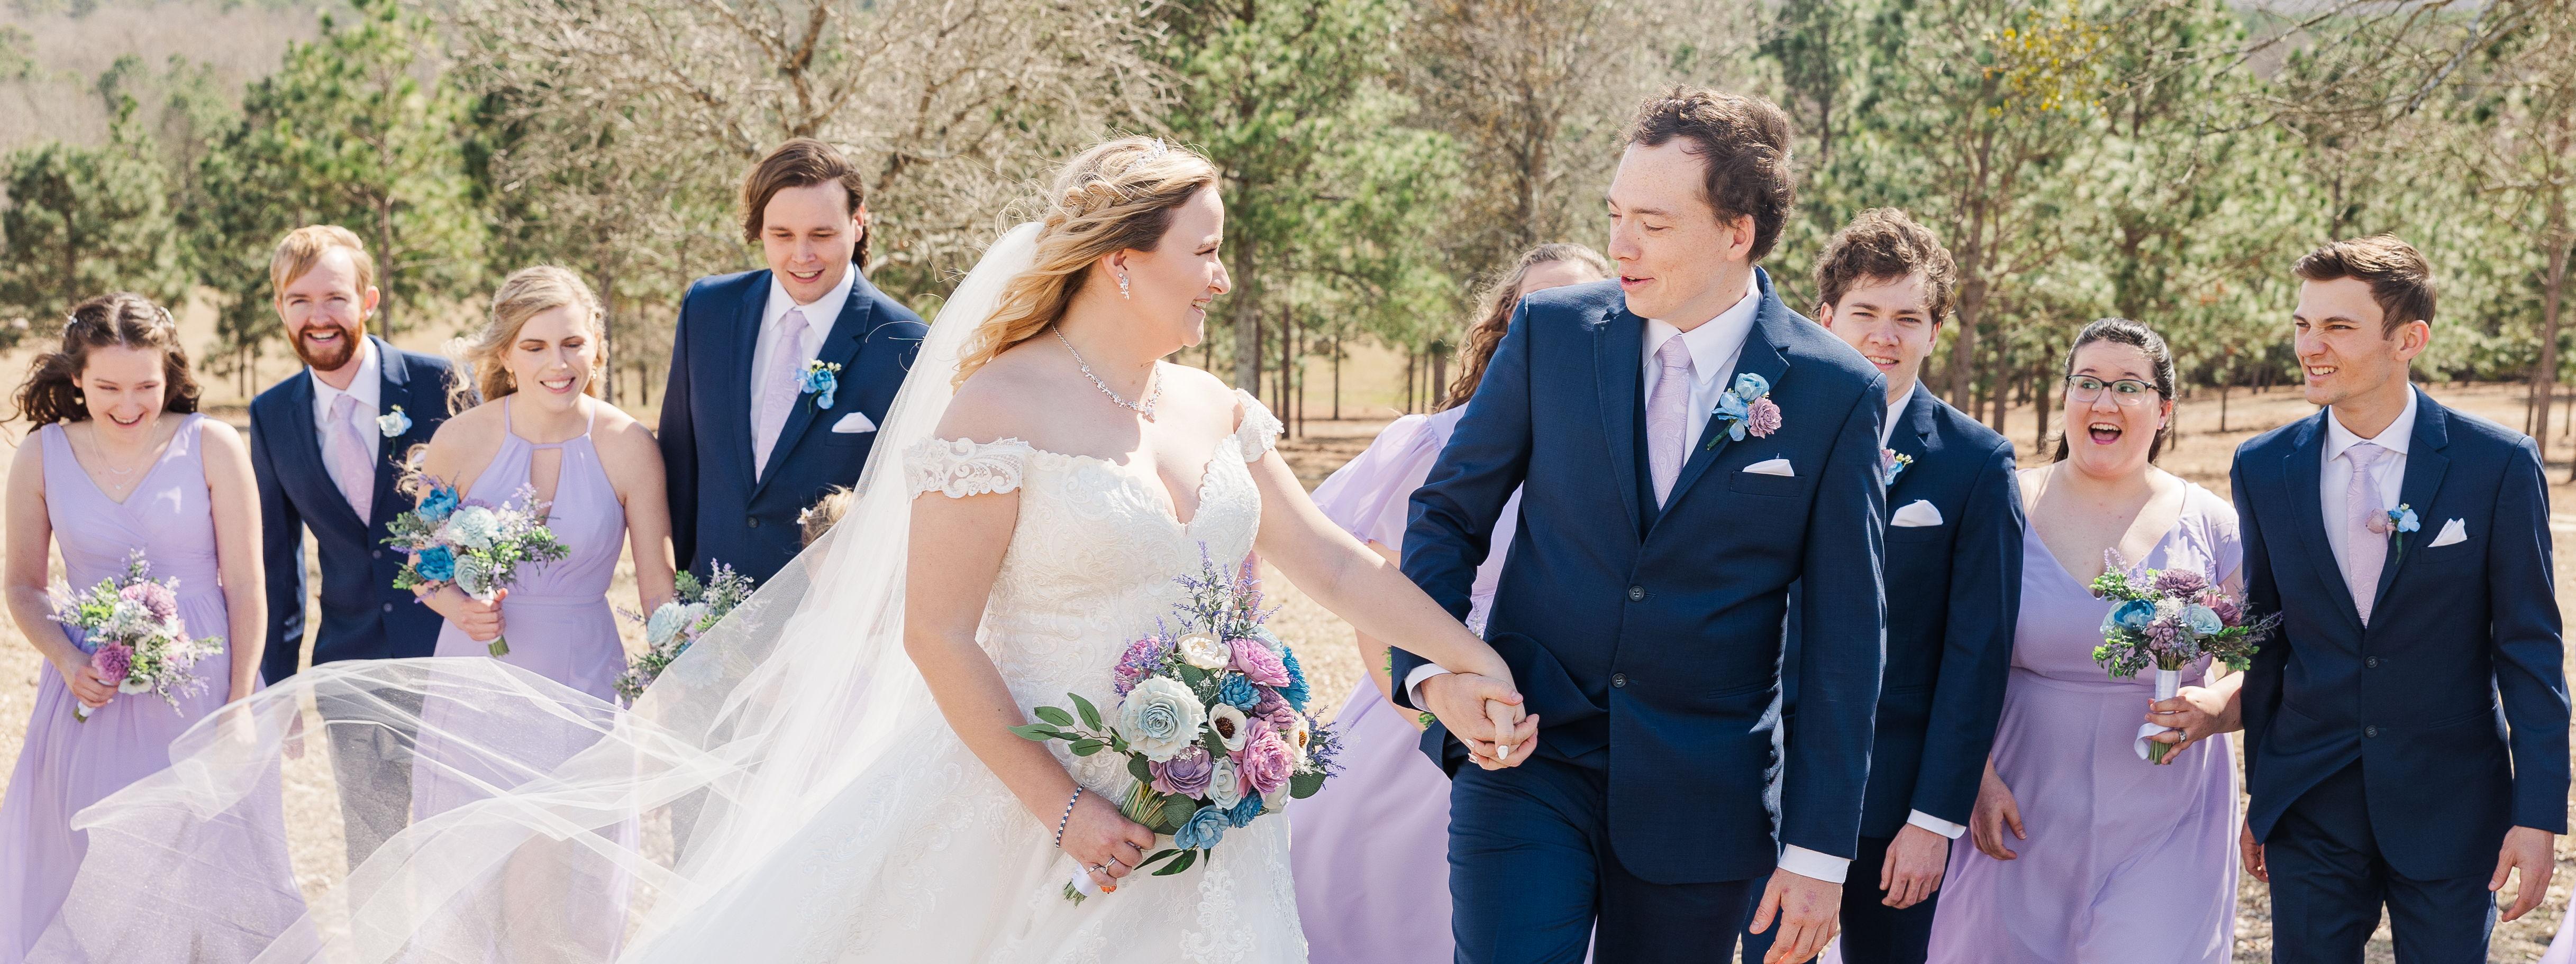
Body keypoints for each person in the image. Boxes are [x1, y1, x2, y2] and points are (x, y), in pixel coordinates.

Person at [48, 136, 1528, 963]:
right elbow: (937, 632)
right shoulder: (998, 407)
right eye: (1205, 247)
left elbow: (1339, 568)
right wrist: (1064, 804)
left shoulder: (1213, 406)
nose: (1223, 273)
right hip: (1032, 803)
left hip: (1215, 814)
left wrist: (1464, 656)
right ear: (1124, 258)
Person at [1395, 87, 1889, 964]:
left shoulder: (1835, 391)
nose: (1620, 245)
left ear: (1735, 233)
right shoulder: (1552, 332)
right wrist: (1436, 672)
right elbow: (1447, 513)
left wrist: (1818, 853)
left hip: (1704, 797)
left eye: (1652, 225)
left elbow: (1846, 639)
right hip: (1525, 755)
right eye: (1615, 215)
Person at [2232, 236, 2565, 962]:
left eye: (2337, 326)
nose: (2310, 346)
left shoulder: (2497, 464)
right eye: (2303, 324)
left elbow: (2529, 648)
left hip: (2453, 807)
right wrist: (2265, 795)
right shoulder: (2261, 465)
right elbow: (2268, 639)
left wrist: (2539, 813)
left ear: (2408, 339)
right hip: (2309, 804)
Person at [1293, 241, 1609, 964]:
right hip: (1424, 715)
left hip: (1563, 731)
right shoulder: (1432, 444)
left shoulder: (1635, 453)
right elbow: (1375, 598)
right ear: (1505, 327)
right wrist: (1432, 718)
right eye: (1535, 311)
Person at [1741, 209, 2020, 964]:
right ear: (1825, 316)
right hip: (1757, 780)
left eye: (1908, 318)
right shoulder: (1762, 428)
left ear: (1936, 332)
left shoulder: (1976, 463)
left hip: (1893, 804)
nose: (1884, 337)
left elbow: (1976, 656)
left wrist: (1933, 818)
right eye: (1865, 312)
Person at [1925, 318, 2242, 963]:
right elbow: (1934, 649)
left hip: (2167, 812)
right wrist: (1971, 777)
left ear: (2164, 410)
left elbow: (2272, 659)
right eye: (2088, 382)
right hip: (2015, 798)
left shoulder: (2213, 523)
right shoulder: (2001, 503)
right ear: (2066, 395)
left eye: (2129, 386)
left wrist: (2216, 706)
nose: (2105, 400)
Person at [0, 293, 303, 958]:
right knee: (96, 869)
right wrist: (66, 658)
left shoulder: (212, 444)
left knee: (213, 875)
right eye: (108, 386)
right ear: (77, 378)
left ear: (170, 374)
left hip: (203, 691)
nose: (128, 403)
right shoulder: (41, 455)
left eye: (146, 384)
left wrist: (241, 703)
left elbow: (247, 584)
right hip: (90, 698)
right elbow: (21, 585)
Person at [400, 265, 676, 958]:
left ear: (597, 347)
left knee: (551, 896)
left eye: (573, 343)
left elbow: (656, 583)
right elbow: (422, 565)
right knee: (471, 893)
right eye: (536, 346)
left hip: (581, 688)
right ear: (505, 354)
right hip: (477, 688)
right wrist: (459, 608)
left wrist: (681, 665)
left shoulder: (629, 445)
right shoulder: (459, 440)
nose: (559, 363)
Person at [659, 137, 929, 585]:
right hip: (706, 609)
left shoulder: (905, 343)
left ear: (858, 223)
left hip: (826, 614)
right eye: (782, 235)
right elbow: (679, 468)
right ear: (759, 230)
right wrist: (674, 597)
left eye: (821, 235)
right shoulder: (707, 309)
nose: (802, 256)